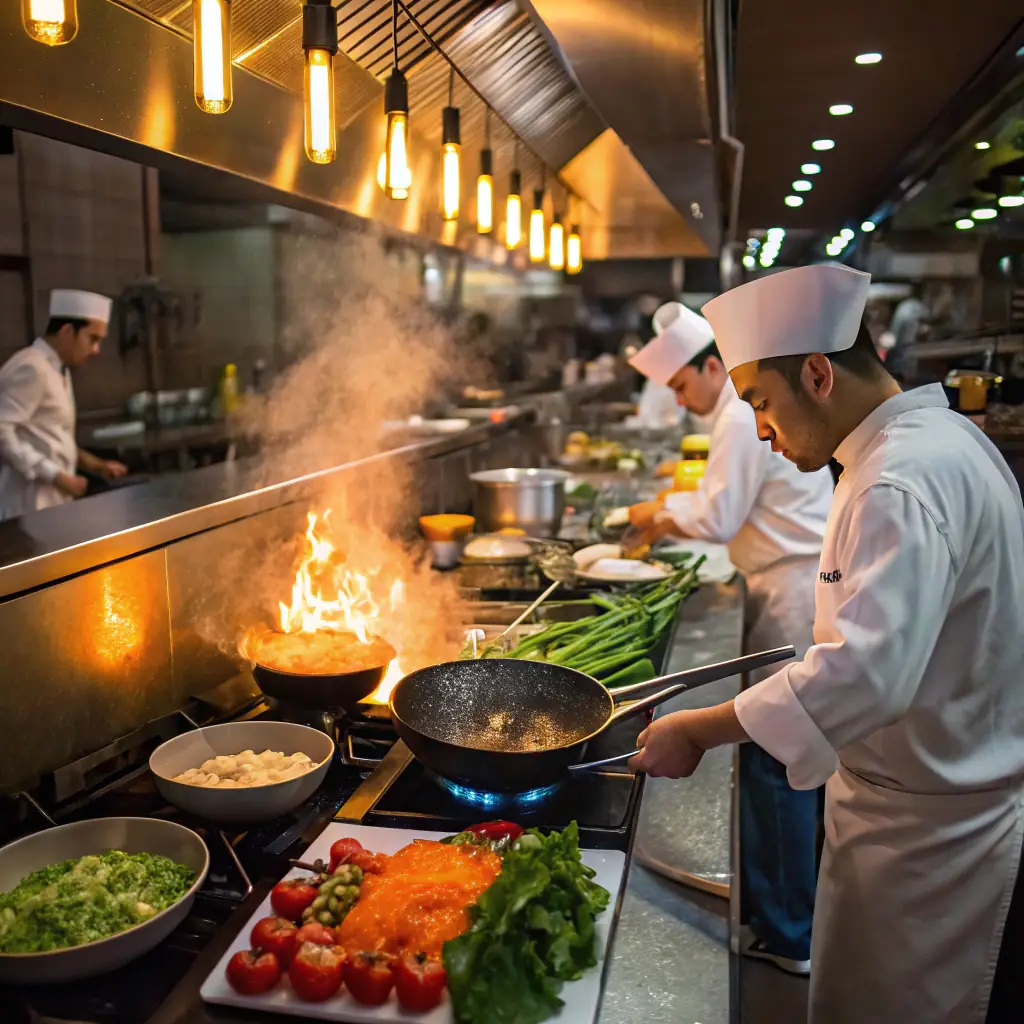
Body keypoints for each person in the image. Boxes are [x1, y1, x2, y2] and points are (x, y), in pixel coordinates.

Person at [630, 264, 1024, 1023]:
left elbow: (862, 676)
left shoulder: (897, 480)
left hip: (930, 839)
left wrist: (699, 730)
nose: (762, 431)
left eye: (762, 404)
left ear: (816, 373)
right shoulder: (926, 441)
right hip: (910, 805)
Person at [626, 301, 834, 975]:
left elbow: (719, 514)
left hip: (791, 592)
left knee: (777, 763)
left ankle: (787, 932)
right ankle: (780, 915)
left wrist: (656, 514)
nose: (681, 401)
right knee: (780, 757)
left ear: (714, 367)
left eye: (684, 386)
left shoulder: (739, 416)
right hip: (788, 583)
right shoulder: (736, 414)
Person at [0, 289, 127, 520]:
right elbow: (2, 430)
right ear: (68, 331)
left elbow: (51, 437)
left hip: (53, 504)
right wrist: (56, 475)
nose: (97, 350)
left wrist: (98, 465)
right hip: (28, 504)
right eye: (93, 339)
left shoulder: (58, 369)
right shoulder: (31, 367)